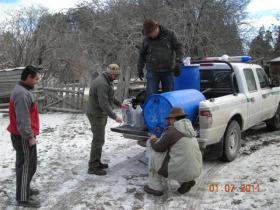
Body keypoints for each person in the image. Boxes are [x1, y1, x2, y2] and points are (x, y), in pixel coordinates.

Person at [144, 108, 202, 196]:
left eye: (169, 119)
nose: (168, 121)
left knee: (154, 155)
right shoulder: (189, 129)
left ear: (173, 119)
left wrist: (152, 140)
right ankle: (184, 182)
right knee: (178, 156)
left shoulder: (172, 131)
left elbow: (158, 148)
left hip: (178, 169)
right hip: (195, 170)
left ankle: (155, 187)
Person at [7, 66, 42, 208]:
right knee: (26, 166)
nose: (37, 82)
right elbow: (23, 120)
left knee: (28, 165)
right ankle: (22, 198)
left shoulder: (23, 90)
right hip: (23, 136)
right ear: (28, 77)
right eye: (36, 79)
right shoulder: (22, 94)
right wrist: (29, 136)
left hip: (22, 134)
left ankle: (25, 189)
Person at [86, 64, 127, 176]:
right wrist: (115, 116)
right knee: (98, 140)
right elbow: (103, 104)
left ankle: (97, 162)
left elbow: (110, 97)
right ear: (111, 74)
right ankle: (93, 167)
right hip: (96, 114)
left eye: (117, 75)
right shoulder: (102, 83)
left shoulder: (107, 80)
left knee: (99, 139)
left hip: (99, 113)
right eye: (116, 76)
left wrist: (120, 104)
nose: (117, 77)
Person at [137, 19, 184, 96]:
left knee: (169, 95)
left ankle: (167, 108)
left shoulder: (170, 34)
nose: (150, 35)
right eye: (148, 34)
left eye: (151, 33)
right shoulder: (146, 40)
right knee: (151, 95)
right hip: (152, 71)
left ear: (156, 28)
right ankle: (152, 108)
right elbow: (142, 54)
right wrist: (140, 68)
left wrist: (178, 62)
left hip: (168, 70)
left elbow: (179, 47)